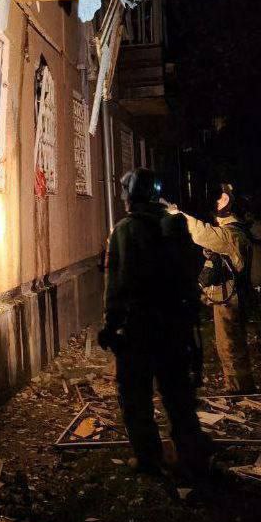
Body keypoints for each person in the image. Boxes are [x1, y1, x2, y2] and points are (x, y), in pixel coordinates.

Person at [98, 168, 212, 477]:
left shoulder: (124, 230)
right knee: (178, 394)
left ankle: (148, 457)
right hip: (175, 326)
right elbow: (189, 273)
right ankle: (191, 454)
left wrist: (110, 325)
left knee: (135, 396)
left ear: (131, 196)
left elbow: (117, 284)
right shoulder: (175, 226)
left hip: (139, 328)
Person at [167, 184, 256, 393]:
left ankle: (239, 390)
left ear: (229, 202)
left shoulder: (232, 234)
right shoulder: (230, 231)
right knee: (230, 343)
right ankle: (240, 387)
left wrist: (178, 215)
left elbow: (202, 233)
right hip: (229, 294)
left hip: (231, 298)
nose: (216, 202)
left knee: (230, 345)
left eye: (221, 198)